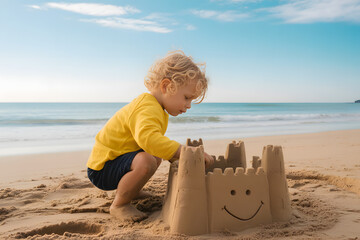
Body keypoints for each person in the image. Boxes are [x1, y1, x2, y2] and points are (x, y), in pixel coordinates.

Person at [86, 50, 214, 222]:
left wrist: (174, 156)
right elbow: (149, 140)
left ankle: (132, 188)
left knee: (154, 157)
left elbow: (153, 145)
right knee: (147, 161)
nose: (189, 105)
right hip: (103, 167)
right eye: (186, 98)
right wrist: (181, 152)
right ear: (166, 86)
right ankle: (119, 205)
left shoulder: (156, 108)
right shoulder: (147, 107)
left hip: (118, 159)